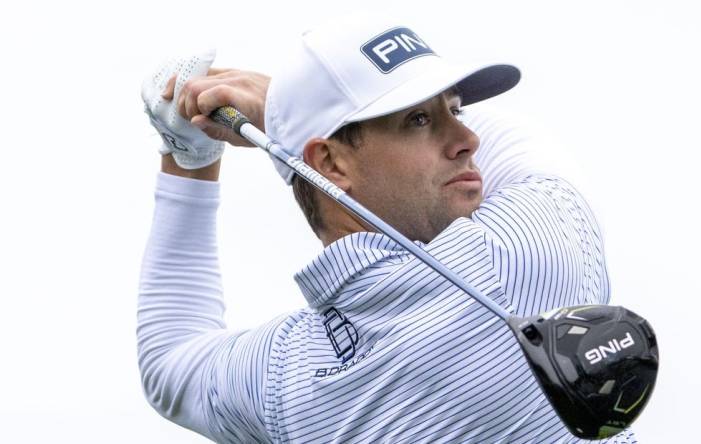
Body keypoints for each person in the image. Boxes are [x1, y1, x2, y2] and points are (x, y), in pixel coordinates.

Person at [138, 16, 637, 443]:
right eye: (419, 119)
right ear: (330, 163)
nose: (468, 137)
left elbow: (169, 360)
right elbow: (517, 144)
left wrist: (189, 153)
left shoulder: (285, 383)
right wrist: (275, 111)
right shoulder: (524, 256)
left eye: (454, 109)